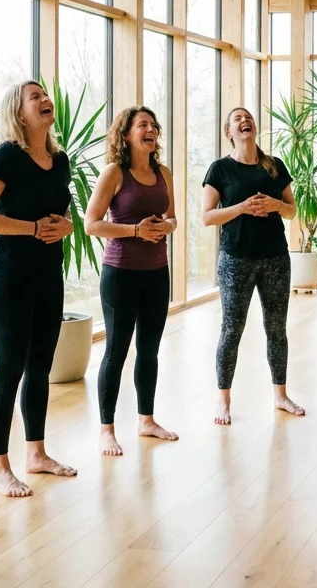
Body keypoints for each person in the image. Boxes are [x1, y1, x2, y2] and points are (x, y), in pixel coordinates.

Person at [0, 81, 77, 498]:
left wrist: (66, 224)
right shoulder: (6, 156)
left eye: (46, 94)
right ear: (18, 110)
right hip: (9, 272)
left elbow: (62, 208)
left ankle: (36, 453)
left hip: (48, 270)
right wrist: (31, 229)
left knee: (40, 366)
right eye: (36, 97)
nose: (46, 100)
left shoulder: (60, 158)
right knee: (10, 367)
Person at [84, 106, 179, 456]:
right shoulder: (114, 172)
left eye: (154, 124)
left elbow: (172, 218)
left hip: (157, 272)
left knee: (150, 349)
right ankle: (106, 429)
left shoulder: (163, 172)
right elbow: (91, 224)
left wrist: (165, 227)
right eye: (143, 125)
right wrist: (135, 230)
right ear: (126, 135)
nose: (151, 129)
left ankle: (146, 419)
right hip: (120, 274)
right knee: (116, 351)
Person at [201, 107, 302, 425]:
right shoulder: (220, 169)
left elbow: (291, 211)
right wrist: (242, 207)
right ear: (229, 131)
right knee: (232, 329)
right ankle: (223, 400)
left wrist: (274, 205)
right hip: (235, 260)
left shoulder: (275, 166)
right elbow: (207, 216)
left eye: (249, 118)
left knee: (276, 329)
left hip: (275, 258)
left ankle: (281, 395)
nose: (245, 121)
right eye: (237, 119)